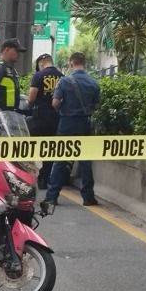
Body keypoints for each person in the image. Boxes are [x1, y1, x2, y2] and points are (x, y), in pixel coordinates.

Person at [42, 52, 100, 209]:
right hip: (85, 124)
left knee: (60, 160)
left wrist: (64, 110)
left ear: (71, 63)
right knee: (85, 161)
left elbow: (55, 103)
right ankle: (88, 197)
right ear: (84, 63)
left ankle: (51, 197)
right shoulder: (93, 83)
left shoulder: (65, 81)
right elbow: (96, 106)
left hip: (67, 123)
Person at [27, 53, 63, 188]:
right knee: (50, 148)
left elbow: (31, 98)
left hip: (39, 117)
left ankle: (28, 176)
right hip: (55, 117)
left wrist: (29, 105)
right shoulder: (61, 76)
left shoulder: (38, 75)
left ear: (41, 64)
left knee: (33, 147)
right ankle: (44, 178)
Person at [0, 38, 25, 115]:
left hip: (12, 115)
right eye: (16, 51)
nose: (18, 54)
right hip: (1, 116)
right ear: (6, 50)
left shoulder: (12, 69)